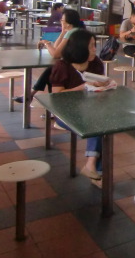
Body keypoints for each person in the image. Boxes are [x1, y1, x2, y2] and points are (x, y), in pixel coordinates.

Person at [49, 29, 109, 186]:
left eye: (94, 45)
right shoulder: (62, 66)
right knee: (97, 125)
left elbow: (98, 94)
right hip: (65, 113)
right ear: (79, 48)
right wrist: (82, 87)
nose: (95, 50)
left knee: (100, 124)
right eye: (91, 46)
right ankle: (95, 170)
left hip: (89, 109)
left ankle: (92, 168)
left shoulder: (96, 63)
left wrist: (103, 86)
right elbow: (56, 96)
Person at [15, 8, 84, 103]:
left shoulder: (72, 33)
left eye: (62, 20)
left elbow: (56, 54)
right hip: (74, 65)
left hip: (74, 68)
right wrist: (63, 32)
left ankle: (31, 94)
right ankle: (31, 94)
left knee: (52, 70)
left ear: (68, 22)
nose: (61, 21)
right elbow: (56, 47)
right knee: (51, 70)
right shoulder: (75, 31)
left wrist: (46, 43)